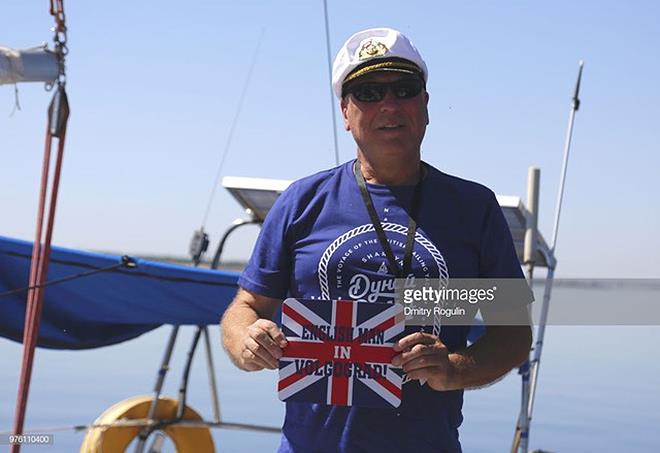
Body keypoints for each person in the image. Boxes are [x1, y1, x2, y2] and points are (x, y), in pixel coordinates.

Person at [221, 27, 532, 452]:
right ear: (345, 113)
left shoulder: (474, 208)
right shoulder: (301, 201)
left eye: (404, 89)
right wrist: (247, 340)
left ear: (425, 106)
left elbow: (513, 334)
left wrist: (455, 369)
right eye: (367, 92)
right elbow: (245, 307)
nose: (388, 104)